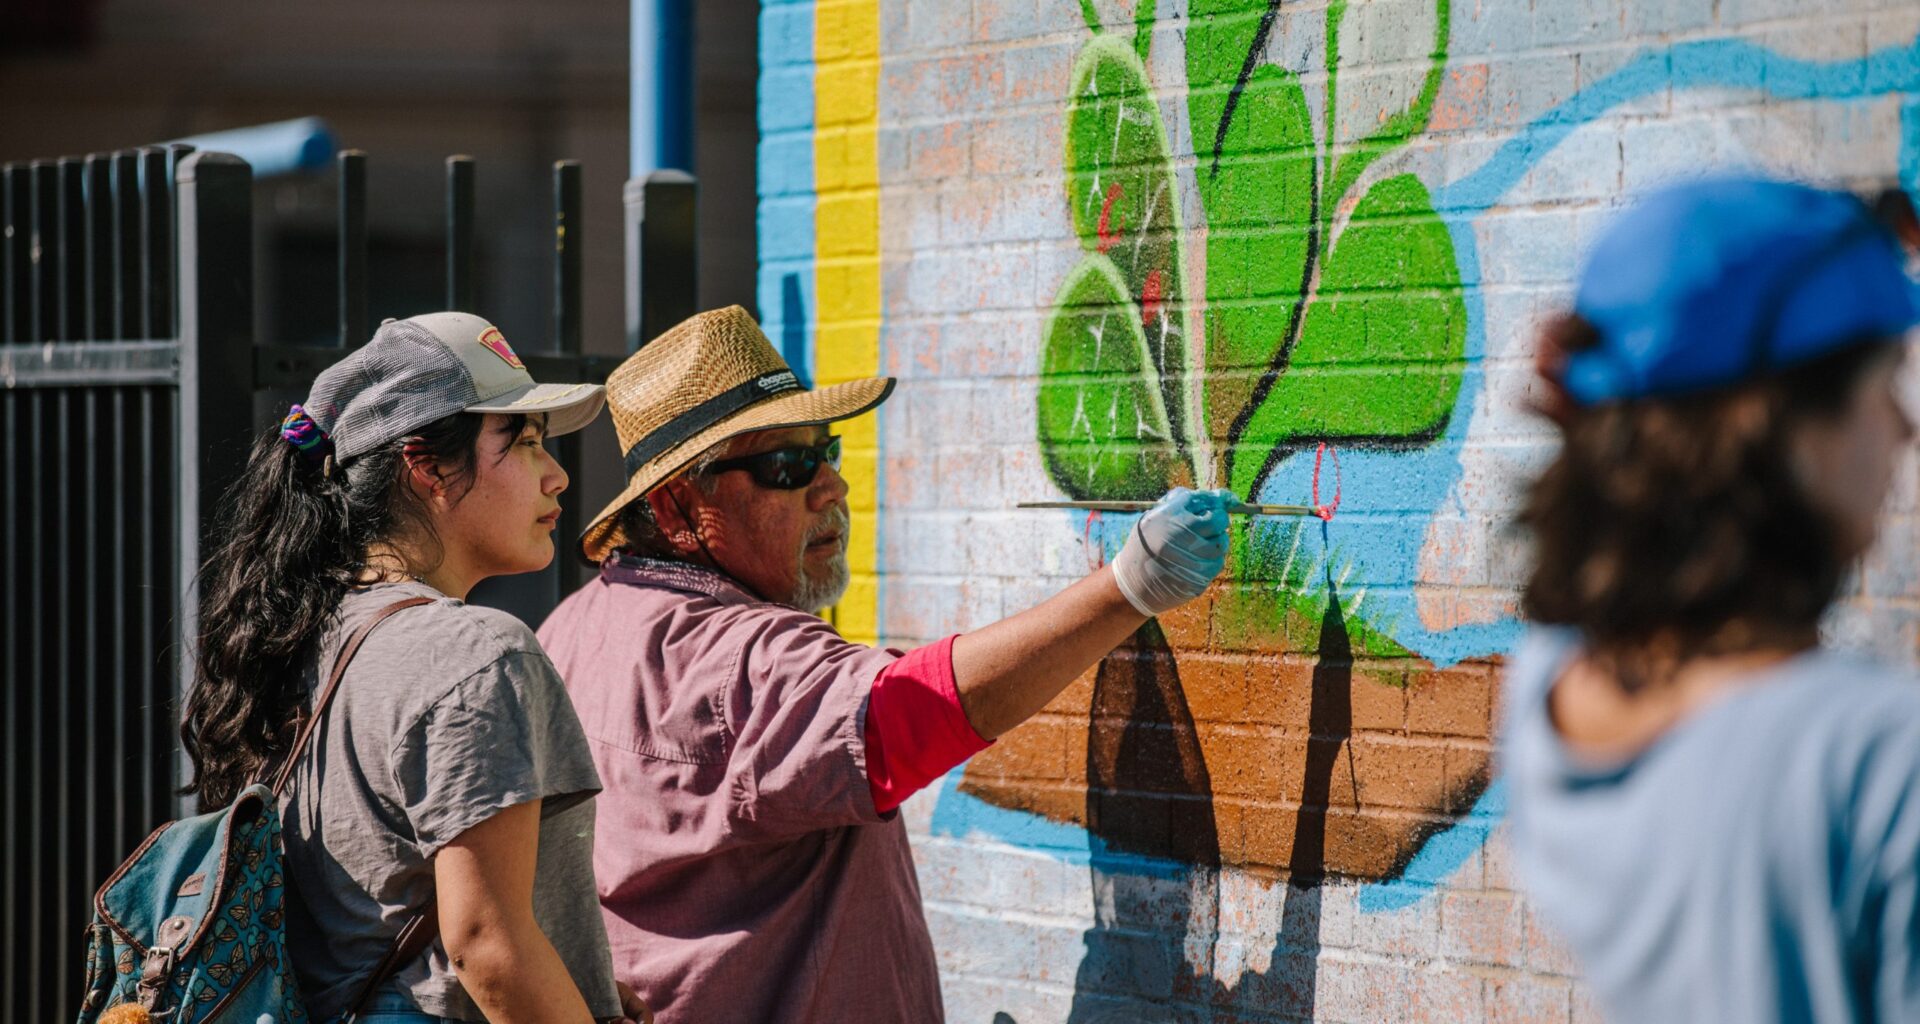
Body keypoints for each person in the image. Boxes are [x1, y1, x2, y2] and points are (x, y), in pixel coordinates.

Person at [536, 304, 1232, 1023]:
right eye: (787, 465)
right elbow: (907, 713)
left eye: (825, 452)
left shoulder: (569, 629)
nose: (830, 488)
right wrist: (1129, 587)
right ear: (678, 508)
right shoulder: (740, 656)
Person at [1501, 177, 1920, 1023]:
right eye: (1884, 386)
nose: (1904, 427)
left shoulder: (1543, 693)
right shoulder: (1878, 762)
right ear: (1789, 430)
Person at [178, 313, 649, 1023]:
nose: (556, 476)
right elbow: (487, 945)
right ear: (425, 463)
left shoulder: (295, 634)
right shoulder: (479, 651)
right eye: (521, 443)